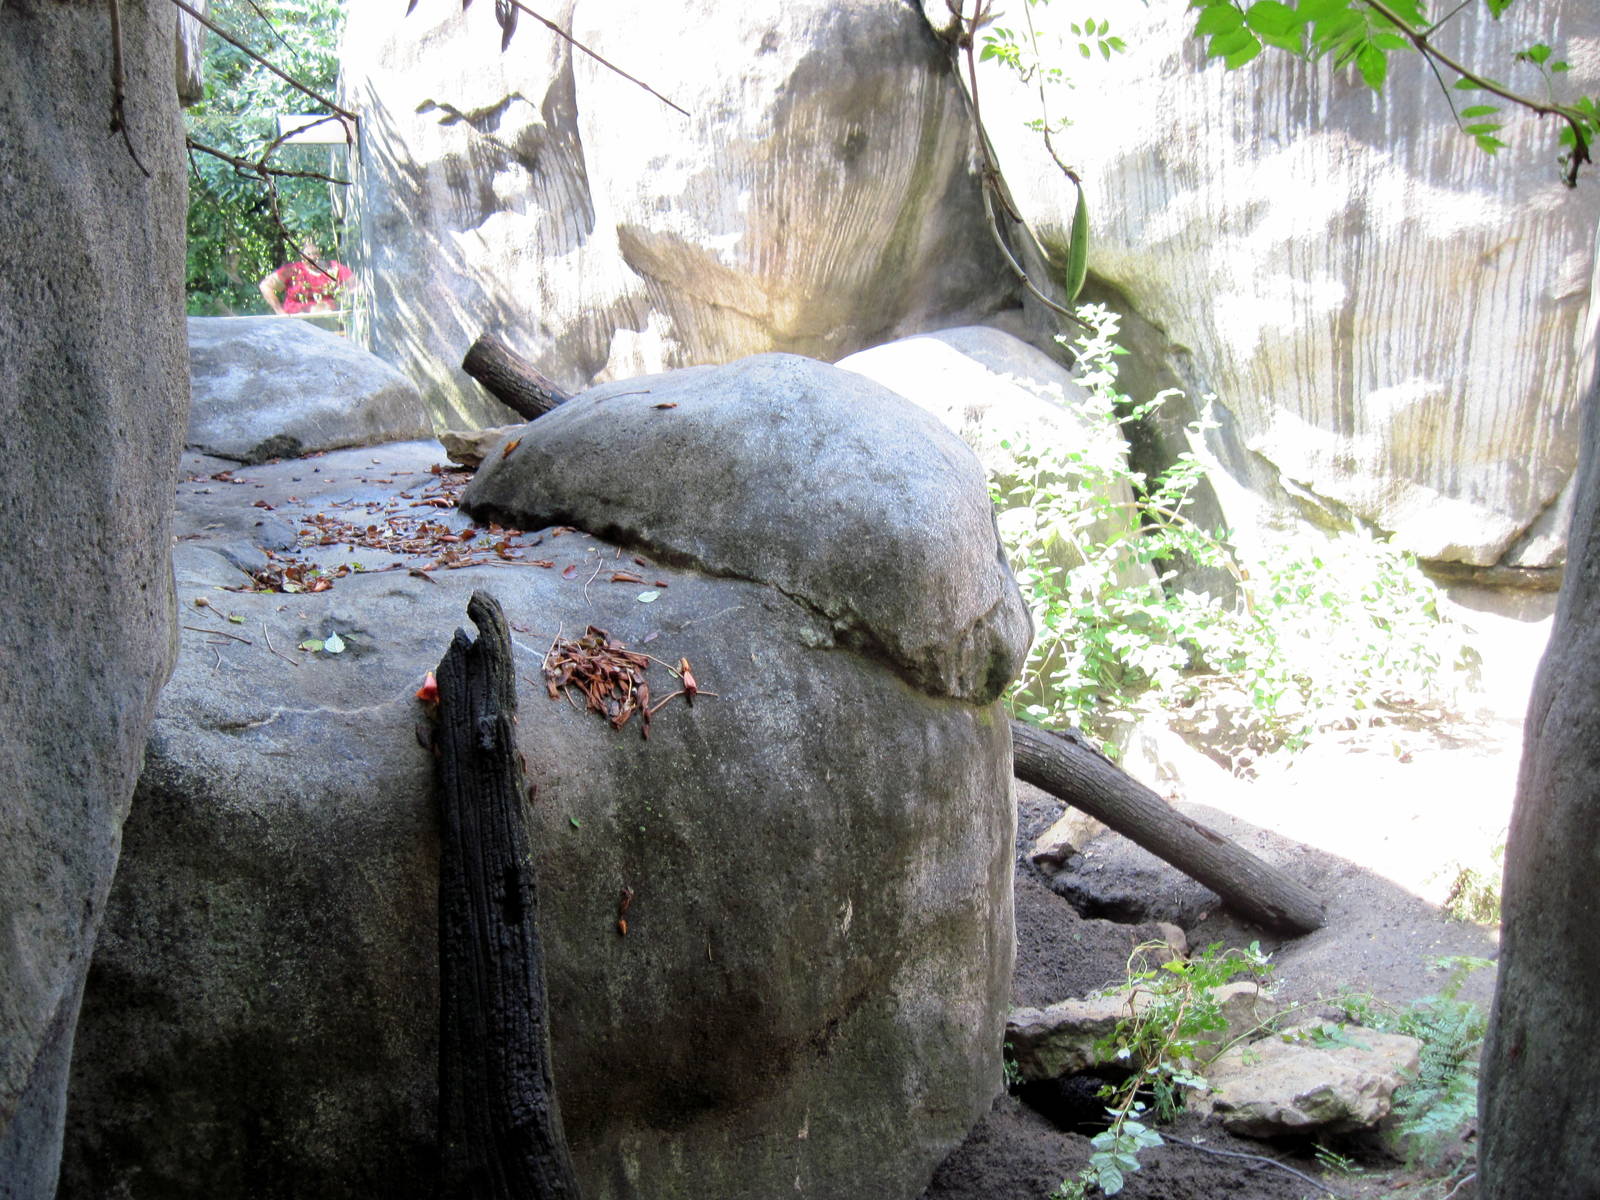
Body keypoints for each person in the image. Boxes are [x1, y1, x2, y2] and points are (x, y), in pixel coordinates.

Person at [258, 238, 355, 316]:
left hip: (328, 323)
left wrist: (346, 303)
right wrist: (280, 312)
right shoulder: (292, 270)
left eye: (315, 253)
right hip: (297, 324)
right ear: (302, 256)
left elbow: (356, 286)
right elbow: (265, 286)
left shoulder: (333, 268)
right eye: (308, 254)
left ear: (320, 254)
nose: (312, 257)